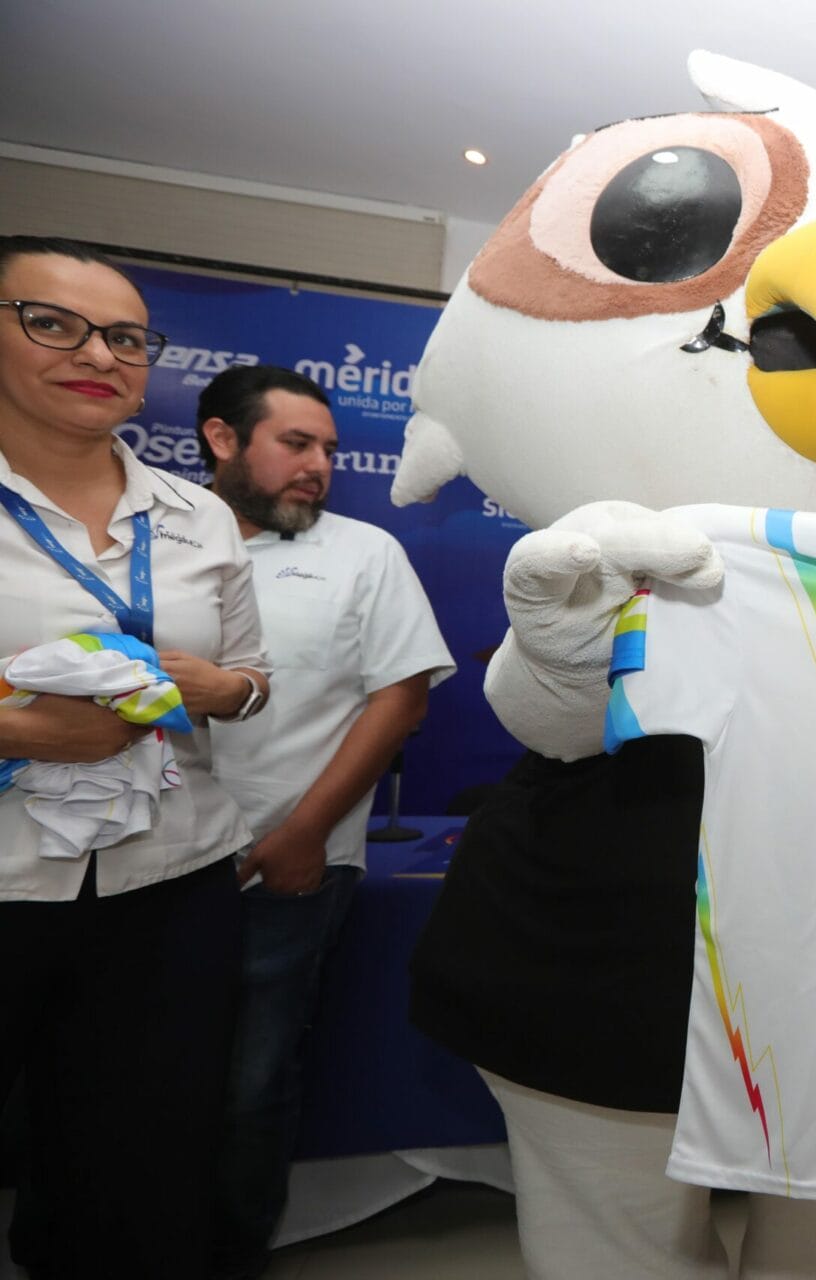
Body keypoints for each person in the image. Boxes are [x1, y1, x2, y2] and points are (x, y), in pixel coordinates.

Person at [0, 235, 270, 1278]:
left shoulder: (198, 515)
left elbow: (251, 675)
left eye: (124, 338)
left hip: (170, 876)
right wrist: (24, 729)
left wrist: (225, 690)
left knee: (145, 1158)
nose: (96, 355)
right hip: (8, 872)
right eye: (52, 323)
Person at [193, 364, 455, 1280]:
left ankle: (230, 1255)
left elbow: (402, 697)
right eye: (296, 444)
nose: (319, 467)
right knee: (122, 1071)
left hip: (284, 870)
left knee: (252, 1083)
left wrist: (305, 835)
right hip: (143, 865)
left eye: (330, 450)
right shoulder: (154, 538)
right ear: (222, 440)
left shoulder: (363, 552)